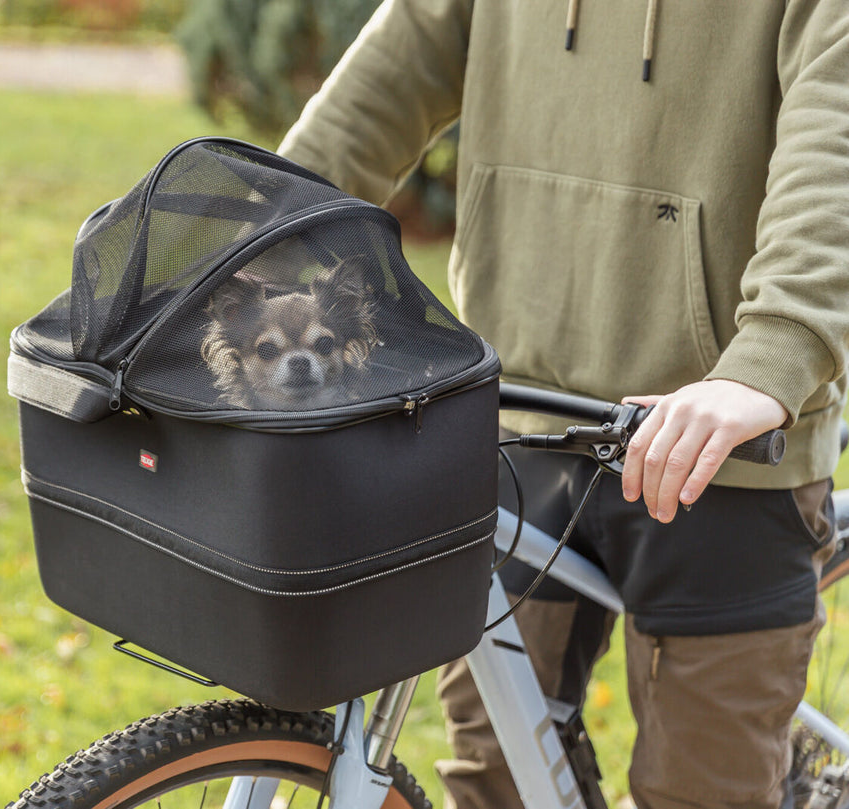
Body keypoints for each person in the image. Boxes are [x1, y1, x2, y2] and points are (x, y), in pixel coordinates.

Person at [277, 2, 849, 808]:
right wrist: (252, 242)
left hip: (719, 447)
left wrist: (769, 360)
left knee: (706, 788)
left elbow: (834, 150)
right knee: (495, 777)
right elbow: (374, 97)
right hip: (522, 425)